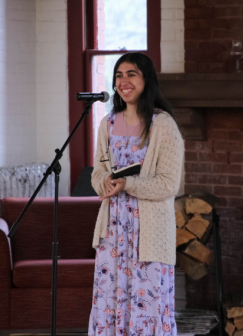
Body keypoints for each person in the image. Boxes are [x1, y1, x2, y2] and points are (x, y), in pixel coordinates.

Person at [89, 52, 184, 336]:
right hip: (114, 232)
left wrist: (127, 184)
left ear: (146, 80)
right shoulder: (108, 123)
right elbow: (97, 174)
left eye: (132, 74)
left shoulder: (163, 125)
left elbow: (169, 184)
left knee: (149, 303)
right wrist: (106, 181)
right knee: (110, 301)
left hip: (150, 233)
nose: (123, 81)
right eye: (119, 75)